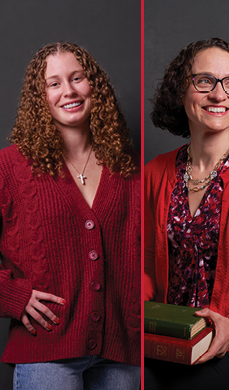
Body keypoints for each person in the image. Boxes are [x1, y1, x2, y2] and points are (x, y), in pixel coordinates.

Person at [143, 38, 229, 390]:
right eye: (204, 81)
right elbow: (144, 265)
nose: (219, 94)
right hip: (168, 341)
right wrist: (138, 311)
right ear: (180, 91)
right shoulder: (154, 173)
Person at [0, 42, 140, 389]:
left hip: (123, 354)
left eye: (77, 78)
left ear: (95, 86)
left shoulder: (129, 168)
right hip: (46, 354)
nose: (69, 91)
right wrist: (11, 295)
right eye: (54, 83)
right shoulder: (10, 167)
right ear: (40, 97)